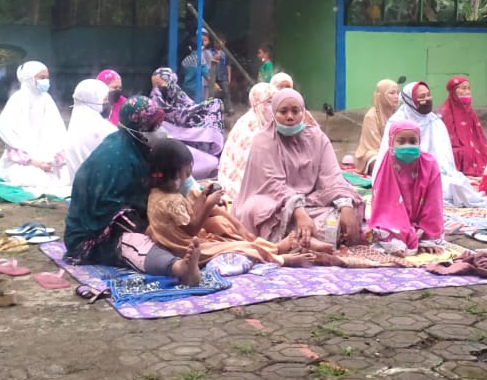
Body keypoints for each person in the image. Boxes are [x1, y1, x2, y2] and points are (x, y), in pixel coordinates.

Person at [63, 97, 203, 286]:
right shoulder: (116, 159)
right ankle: (180, 268)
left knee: (176, 226)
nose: (160, 130)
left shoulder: (142, 147)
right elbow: (111, 214)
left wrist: (199, 194)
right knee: (136, 244)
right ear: (136, 128)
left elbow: (173, 173)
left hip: (133, 217)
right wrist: (149, 229)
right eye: (154, 126)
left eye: (159, 124)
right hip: (95, 235)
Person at [146, 138, 314, 267]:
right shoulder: (172, 201)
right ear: (176, 174)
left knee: (227, 234)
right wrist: (209, 204)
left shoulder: (157, 194)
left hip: (184, 242)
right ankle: (280, 258)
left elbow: (190, 218)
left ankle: (274, 248)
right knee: (239, 248)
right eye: (186, 173)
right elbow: (192, 229)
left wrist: (203, 197)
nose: (188, 176)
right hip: (185, 249)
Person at [235, 89, 365, 248]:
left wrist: (345, 205)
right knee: (255, 208)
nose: (290, 117)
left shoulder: (317, 138)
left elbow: (331, 176)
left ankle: (302, 241)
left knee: (350, 209)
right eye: (283, 112)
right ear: (274, 113)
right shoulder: (263, 141)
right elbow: (272, 185)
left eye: (295, 111)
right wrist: (298, 212)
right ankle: (296, 242)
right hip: (275, 203)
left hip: (310, 201)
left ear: (303, 112)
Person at [373, 82, 487, 207]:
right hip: (401, 172)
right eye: (422, 97)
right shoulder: (396, 122)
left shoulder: (435, 122)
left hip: (432, 171)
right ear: (410, 100)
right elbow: (387, 155)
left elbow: (444, 158)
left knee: (456, 185)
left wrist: (431, 170)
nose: (427, 99)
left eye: (428, 95)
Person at [0, 61, 73, 199]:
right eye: (42, 77)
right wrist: (35, 162)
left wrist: (54, 159)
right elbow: (9, 133)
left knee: (66, 174)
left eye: (47, 77)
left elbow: (56, 131)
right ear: (29, 79)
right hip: (22, 160)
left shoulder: (46, 99)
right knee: (34, 177)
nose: (46, 81)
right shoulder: (18, 99)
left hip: (46, 155)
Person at [367, 120, 448, 255]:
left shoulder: (430, 165)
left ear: (419, 142)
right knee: (383, 234)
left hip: (421, 223)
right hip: (393, 221)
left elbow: (433, 205)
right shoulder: (387, 165)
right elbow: (386, 207)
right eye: (401, 141)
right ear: (391, 143)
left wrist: (429, 238)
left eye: (412, 141)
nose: (407, 146)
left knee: (428, 237)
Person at [150, 67, 224, 177]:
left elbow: (190, 111)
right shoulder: (155, 100)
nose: (156, 88)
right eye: (154, 84)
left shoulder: (180, 96)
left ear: (171, 82)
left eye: (159, 83)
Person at [216, 82, 277, 205]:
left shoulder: (266, 123)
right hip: (241, 184)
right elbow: (252, 167)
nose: (274, 107)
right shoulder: (250, 127)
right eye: (269, 102)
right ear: (257, 104)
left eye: (276, 102)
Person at [439, 76, 487, 176]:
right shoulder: (445, 111)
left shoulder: (469, 110)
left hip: (471, 143)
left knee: (486, 150)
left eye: (468, 88)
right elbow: (446, 138)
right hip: (454, 145)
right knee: (463, 153)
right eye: (463, 88)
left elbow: (477, 133)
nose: (467, 92)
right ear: (453, 91)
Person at [66, 78, 118, 177]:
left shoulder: (73, 128)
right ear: (93, 100)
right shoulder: (107, 130)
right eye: (105, 99)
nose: (108, 103)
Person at [355, 79, 400, 174]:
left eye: (397, 93)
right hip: (375, 151)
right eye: (392, 93)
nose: (396, 96)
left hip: (396, 151)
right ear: (381, 96)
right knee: (375, 161)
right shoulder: (371, 116)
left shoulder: (399, 115)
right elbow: (373, 145)